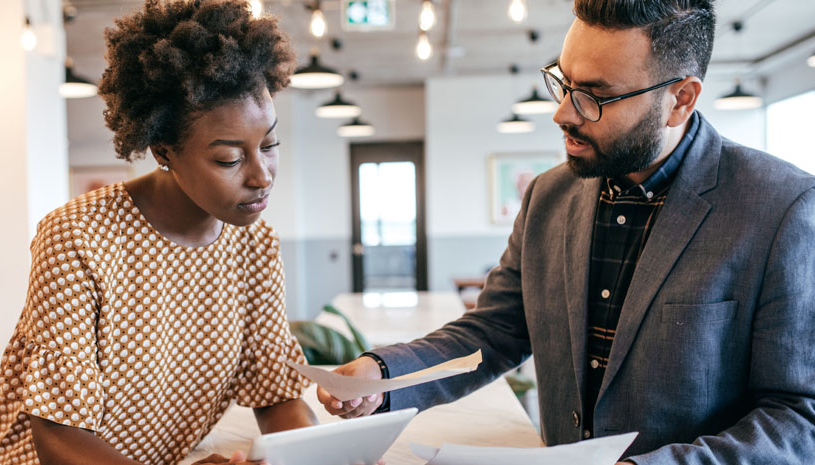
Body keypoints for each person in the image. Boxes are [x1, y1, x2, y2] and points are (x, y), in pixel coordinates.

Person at [318, 0, 815, 463]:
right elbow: (494, 332)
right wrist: (383, 376)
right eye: (564, 82)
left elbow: (798, 416)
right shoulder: (547, 198)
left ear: (680, 99)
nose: (563, 114)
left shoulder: (781, 208)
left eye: (596, 96)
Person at [0, 1, 317, 464]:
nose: (262, 175)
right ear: (164, 150)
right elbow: (57, 439)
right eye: (229, 159)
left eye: (269, 144)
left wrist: (320, 455)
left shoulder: (255, 245)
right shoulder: (78, 237)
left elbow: (276, 394)